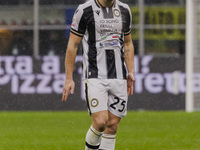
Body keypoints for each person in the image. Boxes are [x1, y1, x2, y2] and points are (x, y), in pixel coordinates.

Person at [62, 0, 135, 149]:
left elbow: (128, 43)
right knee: (101, 122)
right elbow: (73, 44)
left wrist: (131, 71)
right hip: (95, 75)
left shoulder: (125, 10)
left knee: (112, 126)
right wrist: (69, 78)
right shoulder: (84, 10)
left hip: (118, 75)